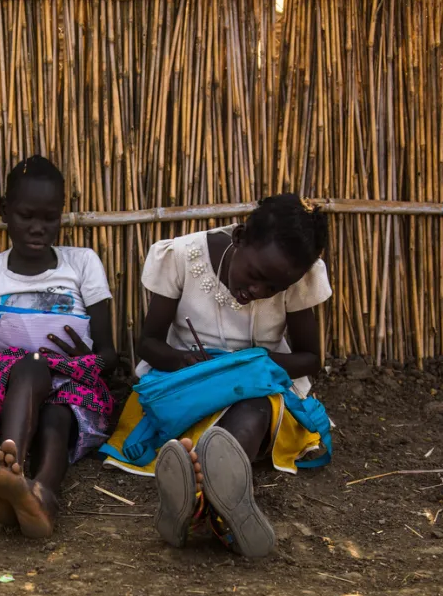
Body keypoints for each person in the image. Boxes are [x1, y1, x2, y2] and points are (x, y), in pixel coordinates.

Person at [104, 193, 331, 558]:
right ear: (239, 239)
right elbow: (147, 343)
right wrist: (186, 362)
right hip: (187, 387)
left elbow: (309, 358)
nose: (258, 292)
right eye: (256, 277)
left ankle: (199, 500)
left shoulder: (296, 274)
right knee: (213, 420)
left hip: (255, 389)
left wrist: (249, 363)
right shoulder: (180, 256)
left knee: (253, 408)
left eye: (274, 289)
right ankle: (219, 506)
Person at [0, 156, 118, 538]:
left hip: (73, 387)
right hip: (6, 388)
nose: (39, 228)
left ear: (61, 214)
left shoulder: (83, 264)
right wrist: (15, 355)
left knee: (57, 414)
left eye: (50, 217)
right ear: (5, 211)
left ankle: (40, 495)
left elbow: (110, 356)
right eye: (26, 216)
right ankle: (13, 466)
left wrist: (82, 359)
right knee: (31, 366)